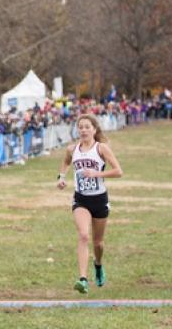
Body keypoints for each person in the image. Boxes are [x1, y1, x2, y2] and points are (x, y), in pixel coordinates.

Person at [57, 113, 123, 294]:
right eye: (80, 127)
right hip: (81, 199)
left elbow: (118, 171)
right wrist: (61, 177)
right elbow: (66, 162)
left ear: (94, 129)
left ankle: (98, 265)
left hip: (99, 199)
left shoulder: (101, 148)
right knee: (84, 235)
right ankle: (83, 279)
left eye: (87, 127)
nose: (84, 130)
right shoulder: (72, 149)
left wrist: (97, 174)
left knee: (98, 243)